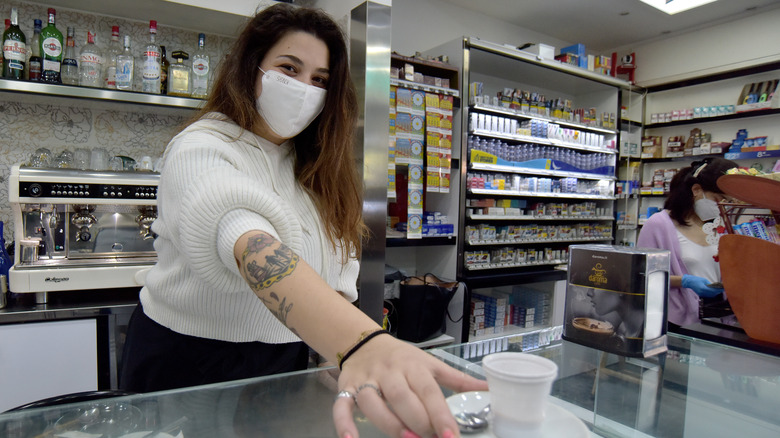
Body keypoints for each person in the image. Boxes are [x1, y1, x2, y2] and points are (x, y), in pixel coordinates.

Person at [119, 4, 487, 438]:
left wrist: (336, 353)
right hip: (189, 361)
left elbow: (336, 274)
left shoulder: (316, 171)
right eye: (288, 68)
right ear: (250, 68)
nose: (302, 89)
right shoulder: (201, 146)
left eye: (319, 80)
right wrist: (362, 343)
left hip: (283, 363)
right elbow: (246, 239)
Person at [637, 157, 738, 330]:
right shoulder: (660, 225)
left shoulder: (723, 227)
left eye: (730, 202)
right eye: (719, 199)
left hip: (717, 320)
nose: (723, 207)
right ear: (697, 190)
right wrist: (684, 281)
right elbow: (641, 275)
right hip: (674, 322)